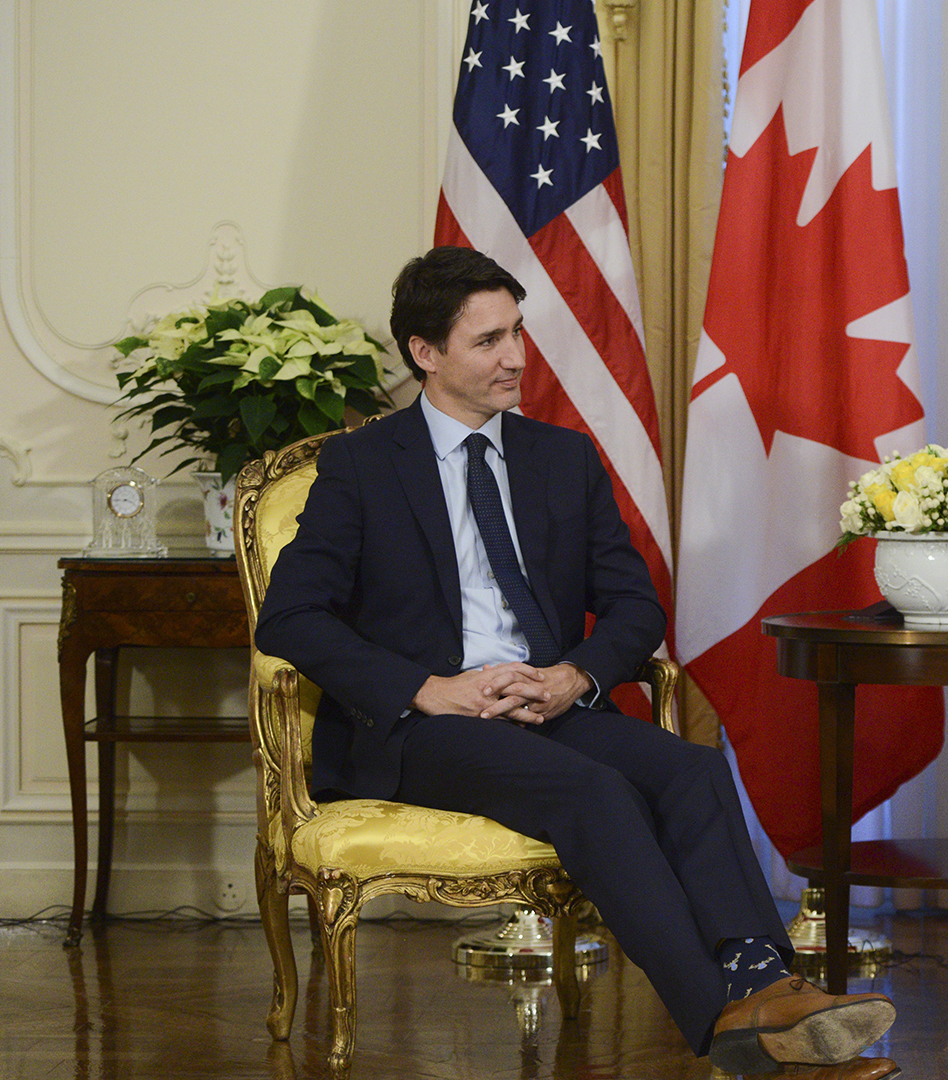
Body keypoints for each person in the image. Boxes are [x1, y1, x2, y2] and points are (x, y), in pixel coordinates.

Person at [255, 246, 898, 1080]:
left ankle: (761, 982)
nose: (516, 358)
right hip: (427, 725)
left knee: (693, 771)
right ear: (425, 353)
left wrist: (575, 677)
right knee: (595, 791)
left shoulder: (561, 459)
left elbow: (636, 607)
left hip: (551, 704)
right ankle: (735, 1031)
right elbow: (290, 617)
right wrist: (429, 689)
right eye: (488, 341)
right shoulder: (361, 466)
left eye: (517, 333)